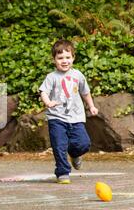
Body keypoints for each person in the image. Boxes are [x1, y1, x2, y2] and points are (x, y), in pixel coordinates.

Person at [39, 39, 98, 184]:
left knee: (83, 143)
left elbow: (85, 92)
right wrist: (48, 102)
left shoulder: (78, 75)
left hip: (76, 117)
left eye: (67, 57)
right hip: (56, 118)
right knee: (59, 145)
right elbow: (43, 91)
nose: (64, 61)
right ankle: (62, 172)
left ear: (73, 58)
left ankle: (75, 154)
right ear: (54, 60)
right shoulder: (51, 77)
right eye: (60, 58)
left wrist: (91, 106)